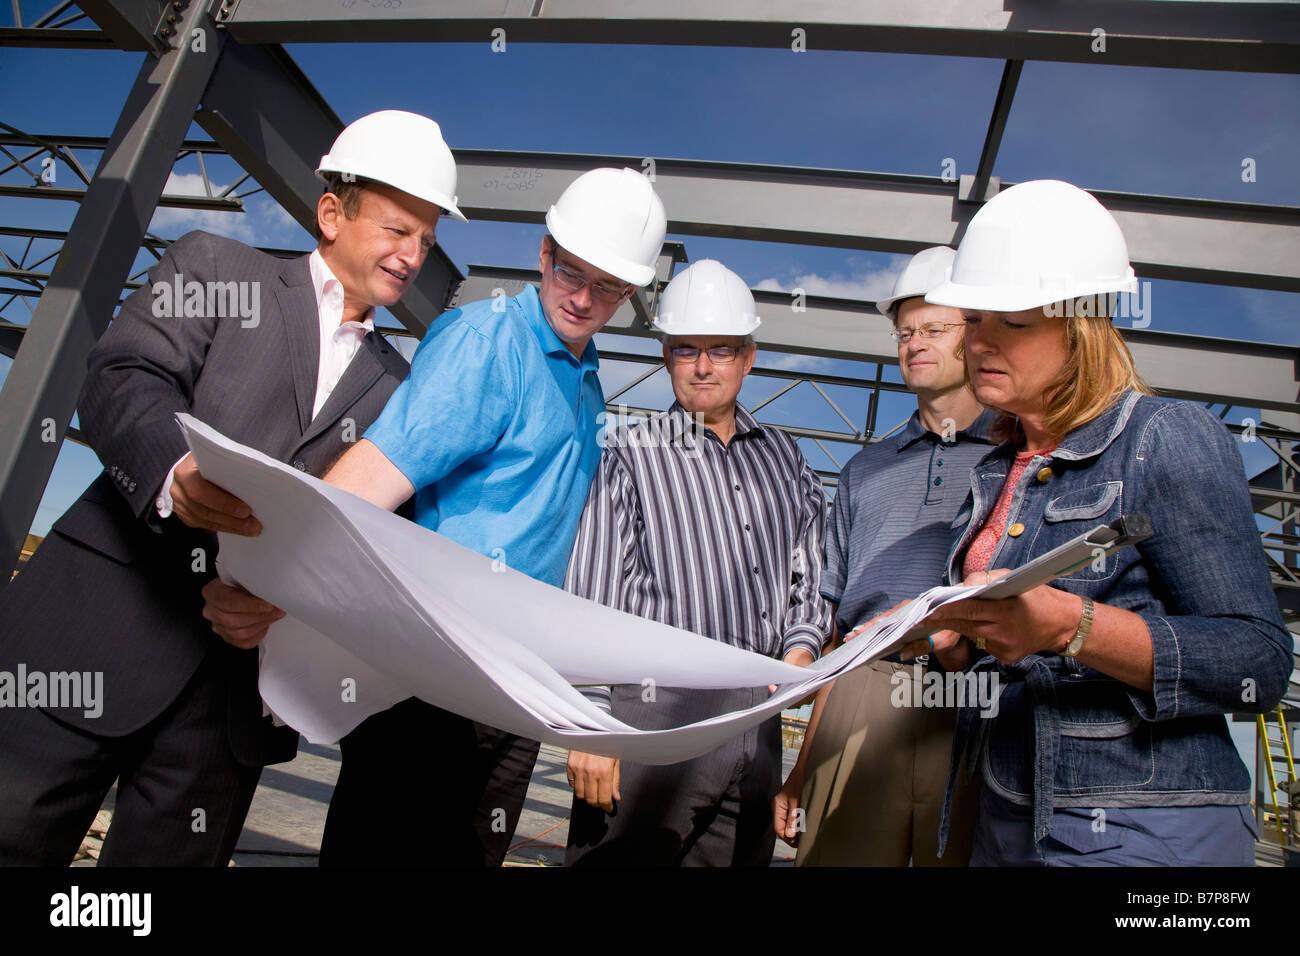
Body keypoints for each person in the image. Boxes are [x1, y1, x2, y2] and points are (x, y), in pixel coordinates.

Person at [0, 109, 461, 865]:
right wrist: (173, 474)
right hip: (87, 642)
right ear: (331, 213)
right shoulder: (215, 268)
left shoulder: (399, 388)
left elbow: (367, 543)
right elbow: (125, 376)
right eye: (397, 229)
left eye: (427, 241)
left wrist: (293, 603)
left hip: (231, 705)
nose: (412, 256)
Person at [205, 166, 669, 867]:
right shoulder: (490, 344)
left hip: (513, 683)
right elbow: (376, 474)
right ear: (543, 253)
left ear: (629, 294)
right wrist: (274, 578)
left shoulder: (589, 387)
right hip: (427, 675)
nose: (582, 297)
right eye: (571, 271)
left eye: (607, 286)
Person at [910, 179, 1293, 865]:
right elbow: (1009, 654)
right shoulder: (999, 470)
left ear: (1082, 325)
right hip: (1005, 806)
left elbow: (1256, 660)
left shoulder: (1165, 437)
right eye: (974, 319)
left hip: (1140, 827)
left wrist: (1069, 626)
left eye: (1014, 323)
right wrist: (953, 641)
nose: (979, 343)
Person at [563, 259, 833, 866]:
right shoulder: (631, 452)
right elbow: (590, 595)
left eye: (721, 350)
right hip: (652, 719)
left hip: (756, 721)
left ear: (749, 358)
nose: (704, 366)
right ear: (666, 358)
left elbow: (810, 568)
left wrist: (801, 650)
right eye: (687, 350)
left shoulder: (785, 458)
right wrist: (594, 726)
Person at [773, 246, 995, 865]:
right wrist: (802, 770)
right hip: (863, 690)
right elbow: (837, 628)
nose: (914, 343)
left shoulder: (1019, 458)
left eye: (934, 329)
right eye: (905, 332)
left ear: (975, 333)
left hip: (972, 694)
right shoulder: (864, 471)